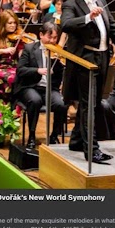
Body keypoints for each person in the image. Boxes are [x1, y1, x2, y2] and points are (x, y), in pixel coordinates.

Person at [60, 0, 115, 163]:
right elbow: (65, 24)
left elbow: (114, 27)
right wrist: (87, 17)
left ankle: (76, 140)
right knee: (88, 105)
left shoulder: (100, 1)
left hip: (102, 59)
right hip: (85, 61)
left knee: (94, 101)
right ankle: (92, 150)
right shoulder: (71, 3)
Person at [11, 21, 67, 151]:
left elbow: (61, 74)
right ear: (41, 35)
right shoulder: (29, 49)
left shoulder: (58, 52)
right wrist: (37, 70)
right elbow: (20, 70)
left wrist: (60, 66)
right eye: (49, 37)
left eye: (55, 38)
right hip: (30, 86)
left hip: (49, 88)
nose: (52, 41)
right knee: (35, 100)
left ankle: (54, 135)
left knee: (61, 104)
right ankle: (31, 135)